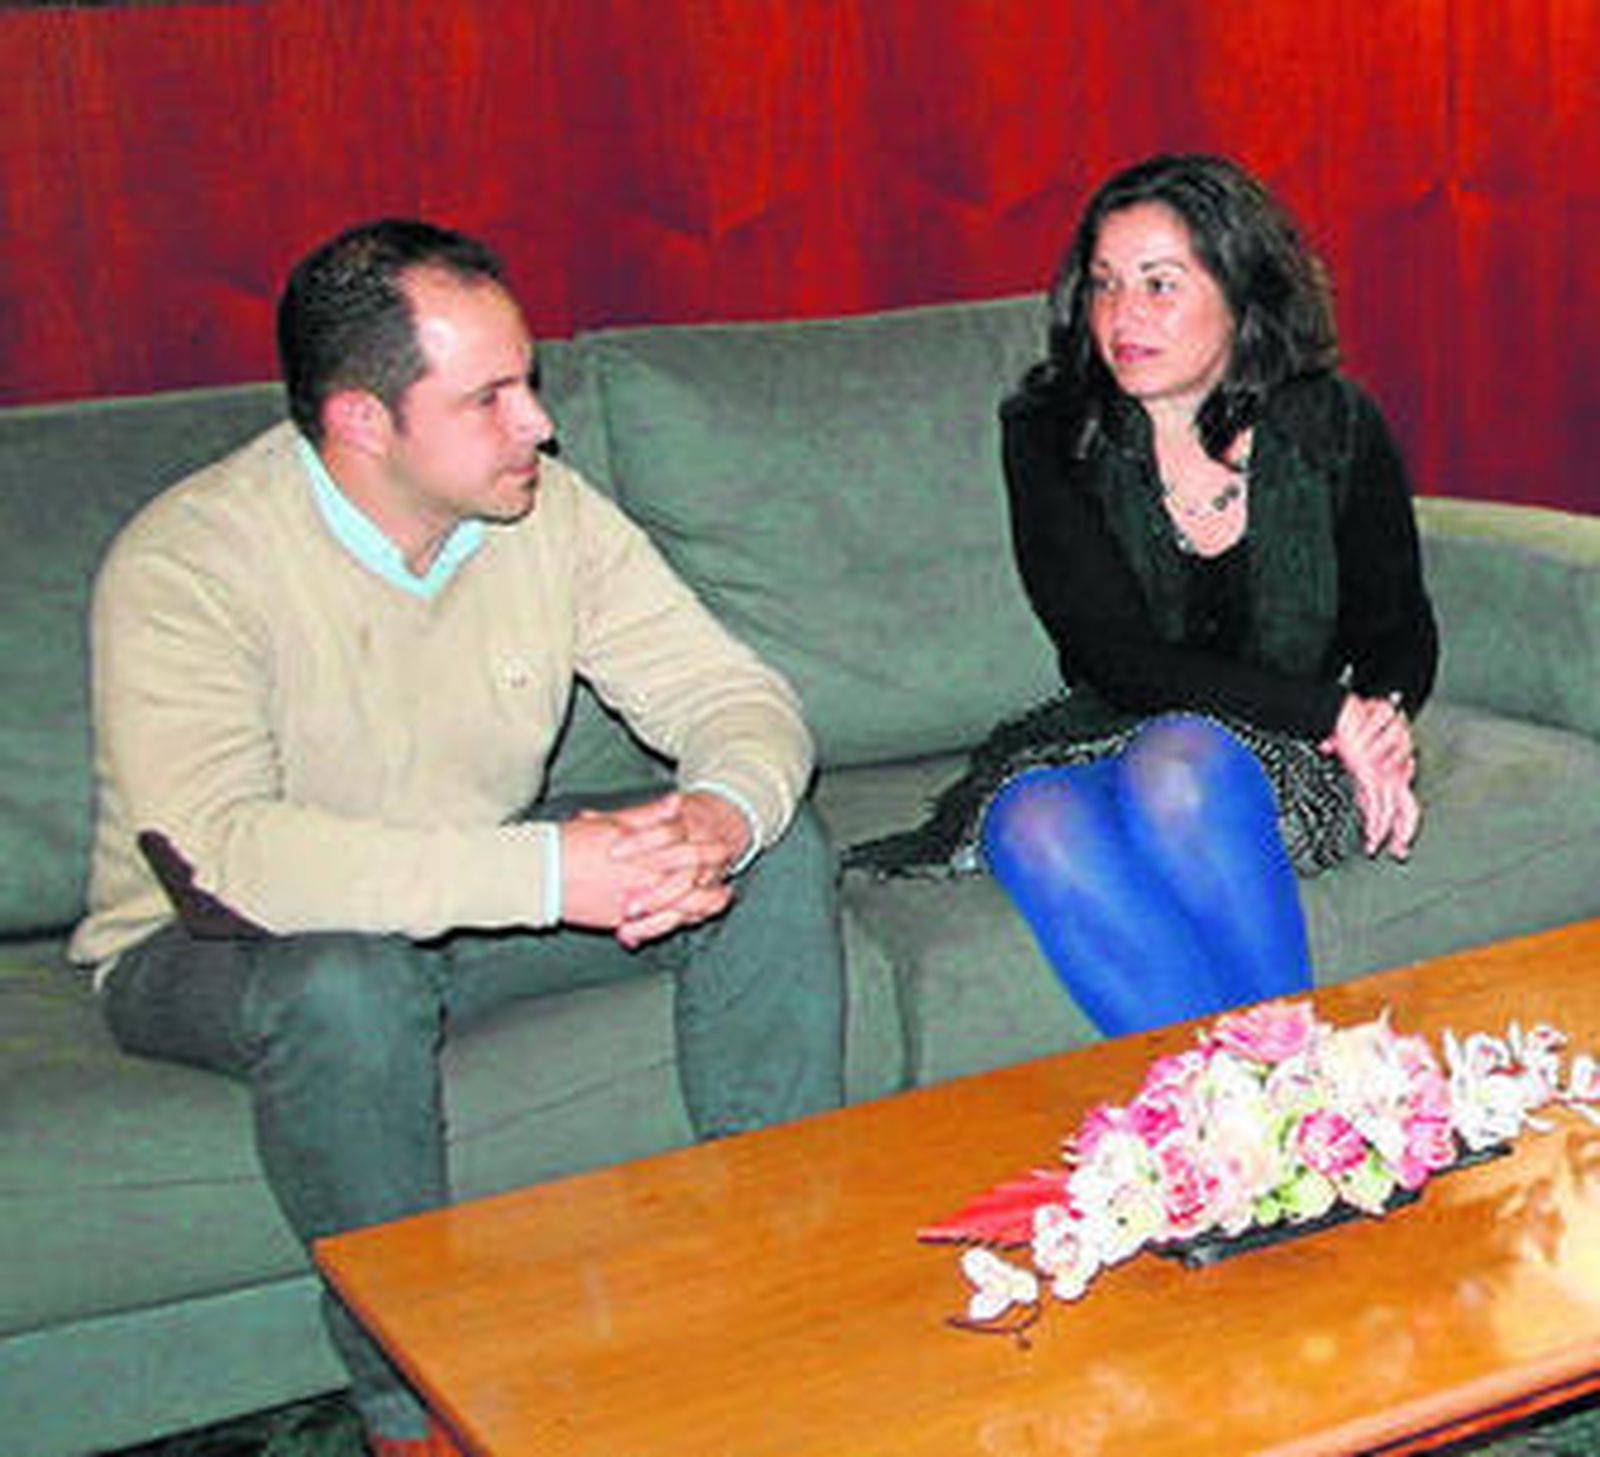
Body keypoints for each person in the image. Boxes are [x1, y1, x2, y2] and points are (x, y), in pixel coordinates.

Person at [70, 219, 846, 1457]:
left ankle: (787, 1282)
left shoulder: (546, 514)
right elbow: (229, 854)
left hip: (465, 887)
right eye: (487, 397)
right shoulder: (191, 561)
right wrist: (551, 872)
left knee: (775, 855)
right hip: (213, 939)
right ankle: (411, 1410)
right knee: (344, 979)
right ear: (362, 421)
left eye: (527, 380)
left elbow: (727, 691)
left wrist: (720, 810)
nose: (537, 421)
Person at [848, 153, 1437, 1036]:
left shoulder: (1332, 423)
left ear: (1242, 289)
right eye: (1105, 285)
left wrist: (1376, 721)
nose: (1123, 316)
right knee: (1032, 818)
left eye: (1160, 284)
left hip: (1279, 739)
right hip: (1115, 718)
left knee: (1180, 767)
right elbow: (1113, 657)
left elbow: (1399, 628)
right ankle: (1274, 1092)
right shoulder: (1052, 430)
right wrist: (1334, 711)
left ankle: (1277, 1083)